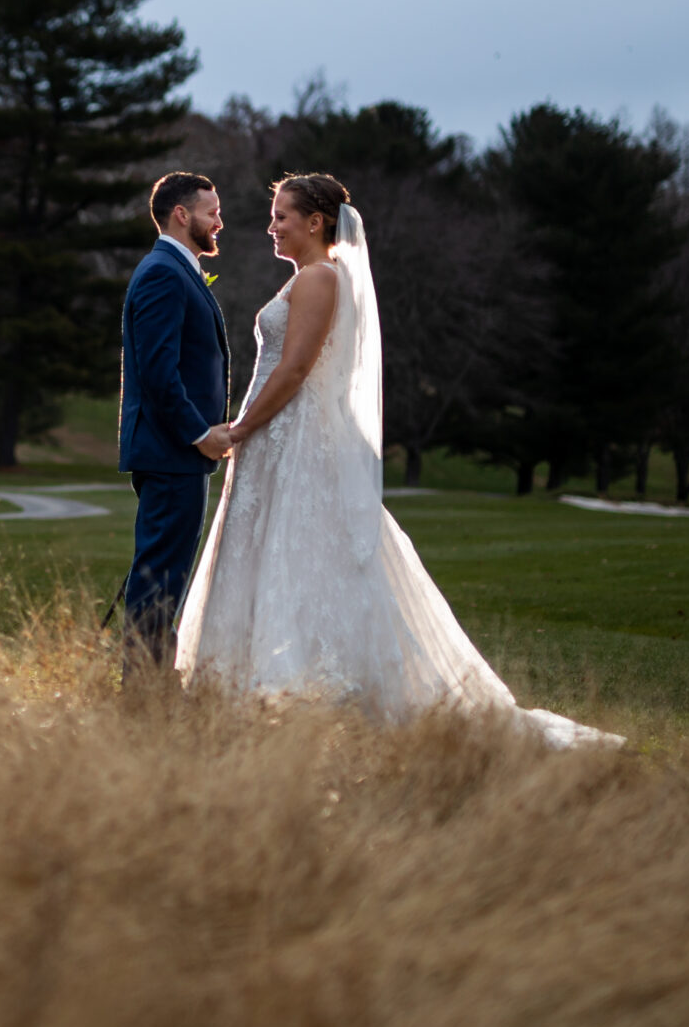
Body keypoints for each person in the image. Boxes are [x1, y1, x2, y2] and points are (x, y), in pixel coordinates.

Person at [174, 173, 620, 748]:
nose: (271, 225)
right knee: (276, 550)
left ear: (315, 223)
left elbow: (295, 370)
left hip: (293, 438)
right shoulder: (304, 280)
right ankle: (243, 685)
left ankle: (303, 688)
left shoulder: (318, 279)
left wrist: (241, 427)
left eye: (282, 215)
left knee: (305, 552)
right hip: (275, 441)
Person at [116, 171, 233, 679]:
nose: (219, 221)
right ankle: (144, 701)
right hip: (170, 453)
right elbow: (159, 372)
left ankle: (149, 694)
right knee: (158, 582)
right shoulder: (164, 272)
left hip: (173, 456)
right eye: (212, 211)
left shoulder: (175, 268)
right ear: (182, 215)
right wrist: (200, 433)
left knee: (163, 578)